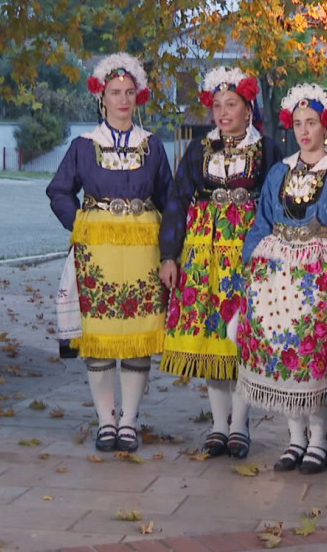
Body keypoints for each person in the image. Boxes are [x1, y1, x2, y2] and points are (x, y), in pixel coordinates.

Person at [47, 53, 173, 454]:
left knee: (135, 339)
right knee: (100, 339)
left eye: (129, 93)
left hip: (143, 254)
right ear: (102, 98)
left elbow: (171, 201)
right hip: (97, 255)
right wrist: (81, 226)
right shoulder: (84, 146)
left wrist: (171, 251)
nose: (122, 100)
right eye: (114, 93)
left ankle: (130, 421)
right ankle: (105, 421)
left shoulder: (152, 147)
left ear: (139, 97)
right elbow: (58, 191)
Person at [234, 83, 327, 475]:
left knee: (312, 357)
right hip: (277, 272)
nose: (305, 131)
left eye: (313, 123)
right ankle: (294, 440)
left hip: (319, 274)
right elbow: (262, 221)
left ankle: (319, 441)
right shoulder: (279, 171)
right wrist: (249, 268)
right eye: (299, 123)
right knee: (284, 355)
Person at [158, 66, 279, 459]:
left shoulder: (267, 150)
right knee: (213, 339)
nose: (223, 113)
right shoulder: (199, 150)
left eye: (232, 105)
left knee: (239, 336)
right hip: (203, 253)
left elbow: (277, 203)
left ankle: (240, 424)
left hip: (247, 253)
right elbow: (177, 200)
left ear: (248, 108)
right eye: (217, 106)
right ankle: (217, 424)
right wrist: (169, 255)